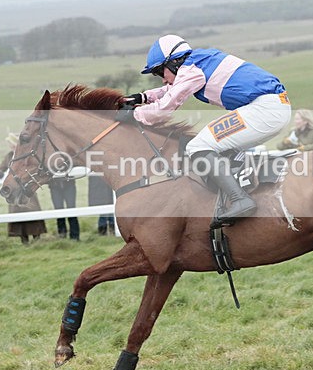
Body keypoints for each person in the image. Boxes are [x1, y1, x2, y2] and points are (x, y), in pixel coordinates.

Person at [123, 34, 291, 227]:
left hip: (264, 109)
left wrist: (135, 115)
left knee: (198, 146)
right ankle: (237, 193)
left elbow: (167, 106)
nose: (162, 79)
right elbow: (172, 88)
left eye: (161, 72)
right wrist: (142, 98)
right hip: (271, 107)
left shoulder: (191, 70)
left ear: (175, 62)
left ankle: (240, 199)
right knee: (218, 148)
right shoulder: (196, 63)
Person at [0, 133, 47, 243]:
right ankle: (24, 239)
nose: (11, 146)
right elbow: (1, 167)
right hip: (14, 191)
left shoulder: (27, 155)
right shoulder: (9, 156)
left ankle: (36, 237)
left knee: (32, 211)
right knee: (18, 214)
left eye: (12, 144)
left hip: (27, 189)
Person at [48, 174, 80, 241]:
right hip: (54, 186)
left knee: (72, 210)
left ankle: (75, 236)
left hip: (69, 184)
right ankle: (62, 235)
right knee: (59, 212)